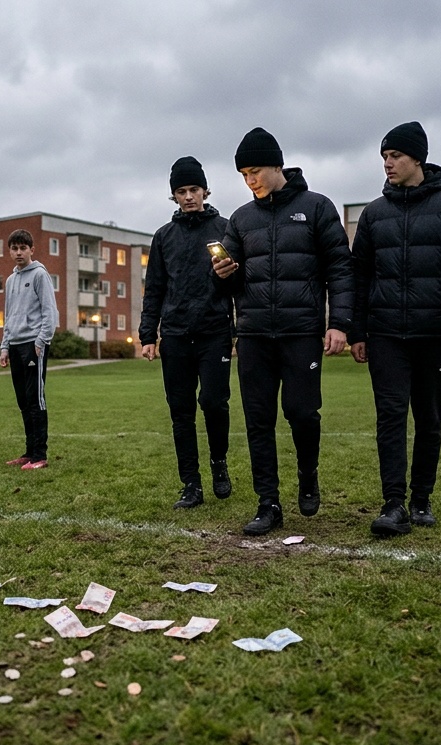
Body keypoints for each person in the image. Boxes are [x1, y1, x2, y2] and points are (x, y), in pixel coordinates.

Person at [348, 121, 441, 537]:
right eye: (384, 158)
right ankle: (394, 505)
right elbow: (359, 277)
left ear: (418, 160)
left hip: (434, 334)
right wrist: (357, 330)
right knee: (390, 417)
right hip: (386, 334)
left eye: (396, 157)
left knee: (428, 419)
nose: (388, 164)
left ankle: (422, 499)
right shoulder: (374, 214)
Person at [212, 127, 352, 536]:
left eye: (255, 170)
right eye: (243, 175)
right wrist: (222, 274)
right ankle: (268, 503)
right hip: (253, 334)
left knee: (302, 413)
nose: (250, 180)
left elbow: (340, 270)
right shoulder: (240, 218)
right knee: (258, 420)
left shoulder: (317, 207)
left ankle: (308, 475)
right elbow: (228, 284)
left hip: (301, 332)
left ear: (277, 165)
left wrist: (339, 322)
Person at [139, 156, 235, 510]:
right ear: (174, 197)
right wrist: (148, 335)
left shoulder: (226, 228)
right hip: (176, 336)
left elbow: (239, 283)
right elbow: (155, 289)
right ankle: (190, 484)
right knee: (180, 411)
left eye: (194, 189)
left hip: (214, 332)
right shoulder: (163, 237)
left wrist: (238, 328)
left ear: (205, 190)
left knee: (213, 402)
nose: (189, 196)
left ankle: (219, 464)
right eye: (181, 191)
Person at [0, 229, 59, 470]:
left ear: (32, 250)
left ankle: (40, 456)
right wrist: (4, 346)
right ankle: (29, 451)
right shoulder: (11, 280)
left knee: (36, 400)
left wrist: (40, 341)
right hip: (14, 345)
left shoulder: (40, 275)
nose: (18, 252)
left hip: (34, 345)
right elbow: (9, 316)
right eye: (14, 248)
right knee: (23, 401)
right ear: (10, 251)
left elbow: (49, 312)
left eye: (23, 248)